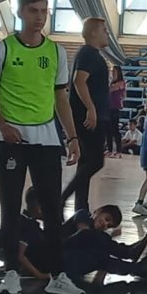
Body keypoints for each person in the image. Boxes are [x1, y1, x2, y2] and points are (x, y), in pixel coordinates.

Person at [0, 0, 84, 294]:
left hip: (46, 140)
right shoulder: (2, 50)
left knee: (53, 210)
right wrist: (3, 126)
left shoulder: (56, 52)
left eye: (44, 11)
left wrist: (72, 136)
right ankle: (11, 274)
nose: (40, 17)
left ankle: (58, 275)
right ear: (20, 13)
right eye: (33, 10)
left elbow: (61, 97)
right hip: (12, 140)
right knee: (10, 208)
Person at [62, 18, 112, 213]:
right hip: (89, 117)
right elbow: (78, 81)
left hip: (90, 115)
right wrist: (91, 109)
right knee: (95, 162)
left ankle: (81, 208)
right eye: (104, 30)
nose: (107, 34)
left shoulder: (90, 54)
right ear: (93, 33)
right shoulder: (89, 54)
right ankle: (63, 198)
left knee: (85, 163)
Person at [63, 205, 147, 284]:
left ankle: (138, 268)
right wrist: (109, 236)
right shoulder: (82, 215)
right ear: (99, 211)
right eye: (106, 219)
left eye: (109, 226)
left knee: (100, 255)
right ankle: (128, 252)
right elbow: (83, 234)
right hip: (59, 254)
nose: (105, 225)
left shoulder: (96, 239)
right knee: (91, 237)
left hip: (69, 264)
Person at [107, 66, 126, 157]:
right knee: (108, 129)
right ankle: (109, 149)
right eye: (112, 71)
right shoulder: (111, 82)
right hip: (108, 107)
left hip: (115, 108)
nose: (112, 73)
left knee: (115, 129)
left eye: (114, 71)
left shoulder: (121, 82)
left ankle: (119, 151)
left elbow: (111, 89)